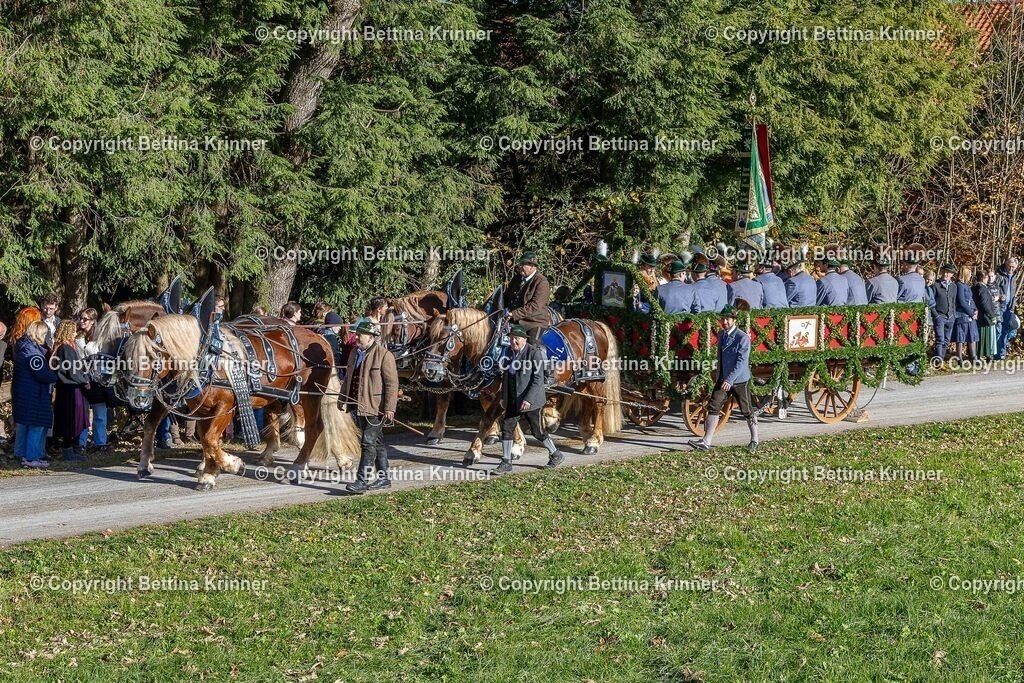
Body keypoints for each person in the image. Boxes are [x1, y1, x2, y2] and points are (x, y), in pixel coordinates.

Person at [687, 305, 759, 453]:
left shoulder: (742, 337)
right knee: (713, 406)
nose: (724, 322)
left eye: (727, 319)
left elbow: (741, 363)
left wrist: (730, 380)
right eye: (723, 319)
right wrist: (719, 375)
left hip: (739, 381)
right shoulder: (721, 334)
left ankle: (755, 439)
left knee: (747, 410)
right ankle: (706, 442)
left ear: (734, 320)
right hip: (723, 378)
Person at [495, 324, 563, 473]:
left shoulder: (533, 353)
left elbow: (538, 379)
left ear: (524, 339)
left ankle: (556, 454)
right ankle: (506, 462)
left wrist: (529, 399)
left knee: (537, 431)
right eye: (512, 338)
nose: (514, 342)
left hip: (531, 401)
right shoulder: (508, 352)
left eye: (517, 339)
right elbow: (506, 377)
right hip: (513, 399)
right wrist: (503, 397)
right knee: (506, 427)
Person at [341, 321, 399, 495]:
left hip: (376, 408)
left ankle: (361, 481)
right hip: (357, 405)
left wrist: (390, 407)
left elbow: (391, 383)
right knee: (376, 442)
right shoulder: (354, 353)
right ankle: (383, 477)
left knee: (367, 442)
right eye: (357, 334)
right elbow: (349, 378)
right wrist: (342, 399)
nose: (356, 337)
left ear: (372, 337)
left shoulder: (384, 355)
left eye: (360, 335)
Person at [12, 321, 59, 468]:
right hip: (34, 395)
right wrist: (55, 375)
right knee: (36, 425)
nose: (45, 337)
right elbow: (42, 375)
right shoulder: (33, 354)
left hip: (26, 393)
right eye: (44, 334)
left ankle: (22, 454)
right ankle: (31, 458)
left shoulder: (24, 348)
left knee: (27, 425)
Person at [51, 320, 90, 461]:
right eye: (73, 330)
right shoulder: (66, 349)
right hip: (71, 389)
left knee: (70, 420)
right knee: (71, 420)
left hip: (65, 389)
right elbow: (73, 371)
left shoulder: (60, 347)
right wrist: (85, 381)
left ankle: (72, 448)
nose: (75, 333)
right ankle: (68, 450)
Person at [75, 308, 110, 454]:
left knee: (99, 413)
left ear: (93, 321)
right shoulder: (78, 337)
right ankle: (81, 442)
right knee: (83, 412)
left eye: (85, 319)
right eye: (81, 318)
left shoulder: (100, 337)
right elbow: (77, 358)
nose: (82, 321)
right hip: (83, 376)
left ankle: (100, 442)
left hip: (97, 377)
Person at [504, 251, 552, 341]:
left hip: (534, 323)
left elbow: (535, 306)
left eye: (523, 264)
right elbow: (506, 297)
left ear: (532, 266)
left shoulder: (542, 282)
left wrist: (514, 314)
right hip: (513, 321)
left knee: (531, 348)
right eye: (520, 264)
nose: (520, 266)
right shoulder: (516, 278)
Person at [931, 263, 957, 361]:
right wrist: (936, 316)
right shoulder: (936, 285)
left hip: (950, 317)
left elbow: (954, 301)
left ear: (951, 275)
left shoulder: (954, 286)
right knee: (940, 339)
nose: (946, 274)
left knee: (946, 340)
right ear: (942, 272)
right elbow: (931, 302)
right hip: (940, 316)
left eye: (949, 273)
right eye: (945, 272)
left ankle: (940, 357)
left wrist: (953, 315)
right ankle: (938, 359)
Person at [954, 265, 979, 361]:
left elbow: (970, 300)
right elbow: (962, 301)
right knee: (960, 337)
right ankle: (959, 358)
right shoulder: (959, 285)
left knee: (972, 336)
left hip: (971, 314)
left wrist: (975, 310)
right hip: (962, 315)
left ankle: (973, 357)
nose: (970, 275)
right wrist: (971, 313)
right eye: (969, 274)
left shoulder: (967, 286)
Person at [995, 256, 1018, 359]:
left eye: (1013, 267)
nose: (1011, 269)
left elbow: (1013, 293)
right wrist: (1000, 296)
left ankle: (1001, 351)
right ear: (1006, 264)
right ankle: (999, 353)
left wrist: (1013, 306)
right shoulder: (1000, 275)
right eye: (1009, 266)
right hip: (1000, 306)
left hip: (1010, 307)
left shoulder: (1014, 276)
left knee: (1011, 329)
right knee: (1000, 330)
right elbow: (995, 287)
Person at [973, 269, 998, 360]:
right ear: (983, 278)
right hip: (984, 317)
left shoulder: (975, 287)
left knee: (980, 336)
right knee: (985, 337)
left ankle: (979, 355)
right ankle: (985, 355)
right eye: (987, 277)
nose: (988, 279)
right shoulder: (982, 288)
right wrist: (992, 315)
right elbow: (985, 304)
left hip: (980, 316)